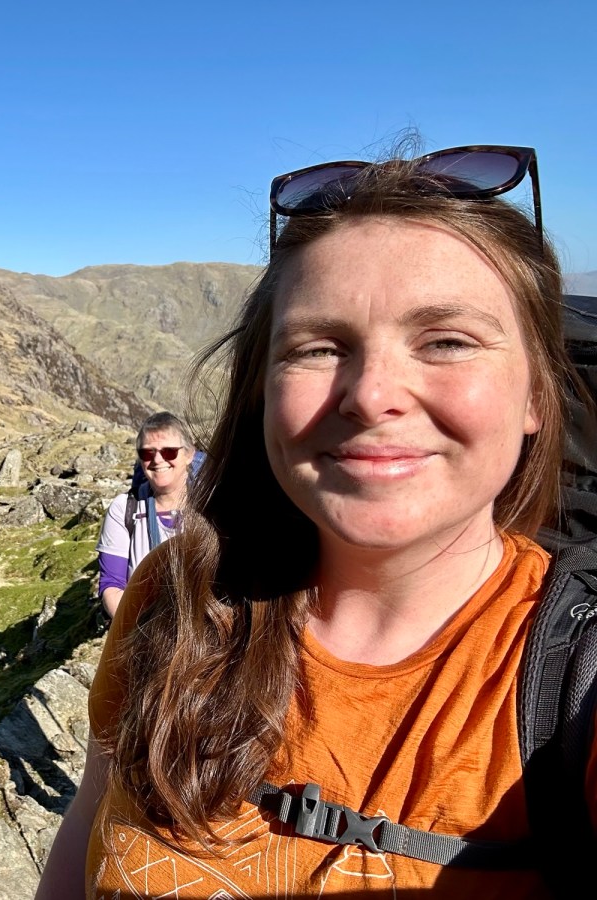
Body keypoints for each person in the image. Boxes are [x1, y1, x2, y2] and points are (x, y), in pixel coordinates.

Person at [35, 144, 596, 898]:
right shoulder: (172, 599)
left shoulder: (575, 684)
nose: (371, 395)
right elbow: (89, 826)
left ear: (536, 395)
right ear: (260, 391)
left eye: (446, 342)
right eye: (320, 347)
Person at [95, 412, 199, 619]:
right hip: (144, 634)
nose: (157, 460)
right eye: (147, 453)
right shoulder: (124, 509)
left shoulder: (212, 506)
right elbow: (112, 585)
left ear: (189, 454)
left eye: (169, 452)